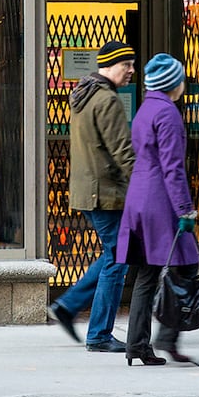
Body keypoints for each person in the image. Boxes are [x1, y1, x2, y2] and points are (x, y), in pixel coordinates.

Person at [46, 41, 137, 352]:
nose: (131, 71)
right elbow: (123, 152)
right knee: (118, 260)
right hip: (106, 194)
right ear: (111, 65)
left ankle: (68, 306)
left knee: (115, 254)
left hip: (90, 192)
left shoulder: (83, 95)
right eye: (127, 64)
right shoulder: (107, 100)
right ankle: (98, 334)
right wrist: (146, 188)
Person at [118, 54, 199, 366]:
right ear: (172, 83)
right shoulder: (167, 113)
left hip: (138, 198)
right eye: (180, 79)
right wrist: (185, 209)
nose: (183, 83)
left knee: (147, 274)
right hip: (159, 201)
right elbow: (173, 168)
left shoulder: (145, 109)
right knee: (187, 266)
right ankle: (166, 335)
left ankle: (136, 345)